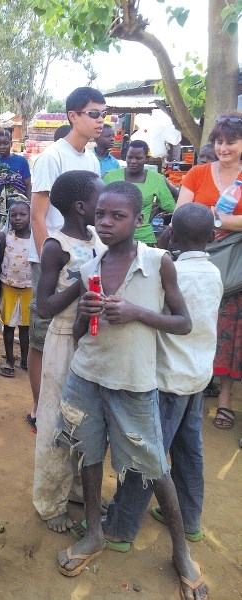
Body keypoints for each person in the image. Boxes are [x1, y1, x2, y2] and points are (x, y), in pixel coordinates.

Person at [55, 181, 208, 600]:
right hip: (87, 376)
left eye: (117, 216)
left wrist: (138, 312)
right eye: (100, 214)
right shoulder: (89, 268)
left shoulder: (159, 262)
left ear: (137, 221)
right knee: (87, 453)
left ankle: (181, 552)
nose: (105, 222)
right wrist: (86, 314)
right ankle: (94, 533)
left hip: (135, 384)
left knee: (154, 465)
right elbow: (82, 334)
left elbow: (183, 323)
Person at [96, 203, 222, 552]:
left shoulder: (171, 272)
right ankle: (189, 520)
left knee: (148, 455)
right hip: (198, 377)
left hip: (168, 380)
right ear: (213, 237)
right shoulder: (214, 273)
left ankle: (121, 529)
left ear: (173, 235)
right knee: (188, 451)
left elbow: (168, 318)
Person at [33, 170, 106, 532]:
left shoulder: (95, 237)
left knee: (86, 420)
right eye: (99, 199)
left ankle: (78, 488)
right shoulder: (55, 246)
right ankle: (49, 501)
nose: (104, 206)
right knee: (56, 421)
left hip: (91, 342)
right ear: (81, 207)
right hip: (63, 339)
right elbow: (43, 306)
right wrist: (81, 285)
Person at [27, 86, 104, 429]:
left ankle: (66, 402)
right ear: (73, 116)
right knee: (43, 335)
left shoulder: (91, 159)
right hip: (52, 258)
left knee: (75, 331)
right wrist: (52, 261)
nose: (102, 121)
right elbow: (37, 217)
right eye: (95, 114)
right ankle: (38, 408)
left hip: (82, 257)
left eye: (105, 114)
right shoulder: (51, 157)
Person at [174, 113, 242, 432]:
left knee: (230, 334)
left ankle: (225, 400)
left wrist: (212, 218)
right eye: (219, 141)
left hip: (236, 270)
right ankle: (193, 392)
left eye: (231, 141)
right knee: (197, 325)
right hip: (198, 267)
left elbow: (197, 216)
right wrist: (226, 220)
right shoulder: (198, 173)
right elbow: (182, 215)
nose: (223, 147)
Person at [104, 139, 177, 245]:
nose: (133, 161)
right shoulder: (110, 177)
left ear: (146, 159)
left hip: (144, 239)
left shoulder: (156, 180)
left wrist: (156, 210)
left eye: (138, 158)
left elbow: (170, 206)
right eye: (130, 157)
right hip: (113, 237)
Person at [0, 200, 32, 378]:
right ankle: (10, 360)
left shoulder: (36, 240)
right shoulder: (6, 237)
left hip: (29, 288)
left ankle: (25, 360)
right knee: (8, 325)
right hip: (8, 286)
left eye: (23, 214)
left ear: (30, 216)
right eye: (14, 215)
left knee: (26, 327)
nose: (18, 218)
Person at [0, 129, 32, 212]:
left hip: (18, 210)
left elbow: (28, 186)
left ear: (11, 144)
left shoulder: (21, 161)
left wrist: (28, 205)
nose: (2, 146)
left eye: (5, 143)